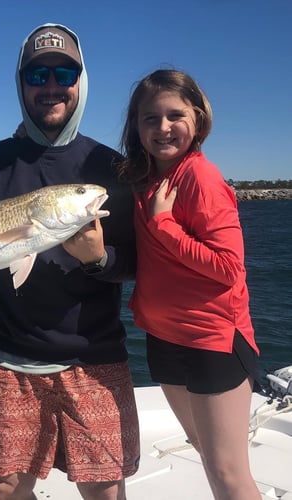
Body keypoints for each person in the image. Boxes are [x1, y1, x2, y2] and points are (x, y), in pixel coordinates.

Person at [0, 23, 140, 500]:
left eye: (64, 73)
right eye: (37, 76)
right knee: (8, 488)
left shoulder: (111, 167)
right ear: (21, 84)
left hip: (94, 357)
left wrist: (98, 259)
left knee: (105, 489)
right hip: (5, 357)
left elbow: (134, 262)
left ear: (81, 81)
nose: (51, 86)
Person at [117, 68, 260, 500]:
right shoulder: (144, 181)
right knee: (203, 451)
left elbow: (228, 266)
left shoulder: (200, 177)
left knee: (228, 473)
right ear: (136, 126)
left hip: (212, 341)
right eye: (149, 118)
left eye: (174, 115)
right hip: (165, 337)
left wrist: (164, 226)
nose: (163, 128)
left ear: (197, 119)